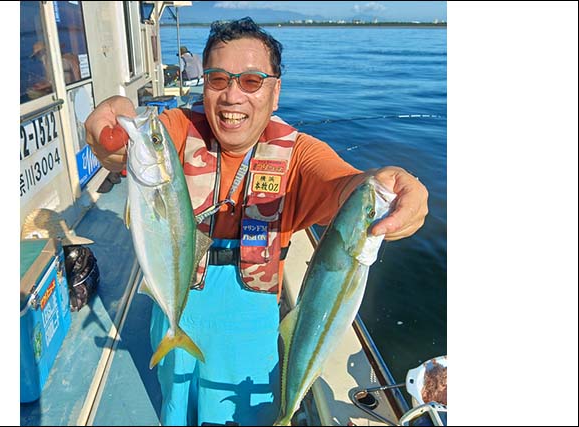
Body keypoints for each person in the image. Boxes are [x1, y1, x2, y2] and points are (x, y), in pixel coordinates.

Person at [85, 17, 428, 426]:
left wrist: (384, 184)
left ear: (275, 91)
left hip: (250, 334)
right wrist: (114, 130)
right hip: (175, 307)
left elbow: (344, 186)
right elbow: (132, 150)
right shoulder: (178, 129)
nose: (232, 96)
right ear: (204, 85)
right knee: (175, 410)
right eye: (217, 79)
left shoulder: (299, 155)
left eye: (251, 81)